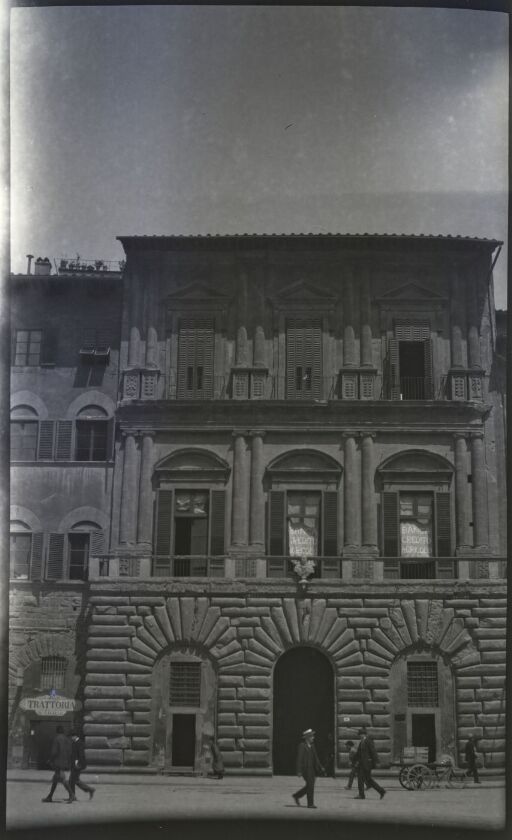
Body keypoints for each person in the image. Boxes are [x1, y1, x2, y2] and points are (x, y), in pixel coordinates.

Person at [292, 728, 325, 809]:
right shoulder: (302, 746)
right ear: (307, 738)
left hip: (312, 769)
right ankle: (310, 804)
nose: (313, 738)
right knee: (310, 786)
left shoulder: (312, 746)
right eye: (311, 736)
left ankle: (297, 795)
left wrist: (320, 767)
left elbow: (316, 757)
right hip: (305, 769)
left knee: (310, 786)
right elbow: (299, 759)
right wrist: (299, 771)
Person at [42, 725, 75, 803]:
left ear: (57, 731)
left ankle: (71, 794)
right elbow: (70, 751)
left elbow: (54, 752)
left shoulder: (57, 739)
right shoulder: (67, 739)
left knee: (62, 779)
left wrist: (50, 760)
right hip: (65, 762)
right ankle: (50, 796)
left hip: (58, 762)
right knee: (55, 779)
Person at [353, 728, 386, 800]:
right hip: (363, 764)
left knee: (360, 779)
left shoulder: (368, 741)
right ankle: (381, 791)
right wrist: (354, 760)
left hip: (367, 764)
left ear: (364, 734)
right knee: (369, 779)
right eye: (359, 735)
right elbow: (359, 753)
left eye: (360, 735)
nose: (359, 736)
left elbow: (373, 751)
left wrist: (377, 761)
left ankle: (361, 795)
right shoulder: (362, 742)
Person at [69, 731, 95, 800]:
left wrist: (77, 764)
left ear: (75, 736)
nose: (71, 738)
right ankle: (89, 790)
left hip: (78, 765)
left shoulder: (79, 743)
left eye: (71, 736)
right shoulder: (74, 743)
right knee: (74, 780)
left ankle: (73, 796)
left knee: (72, 780)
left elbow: (81, 755)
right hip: (74, 764)